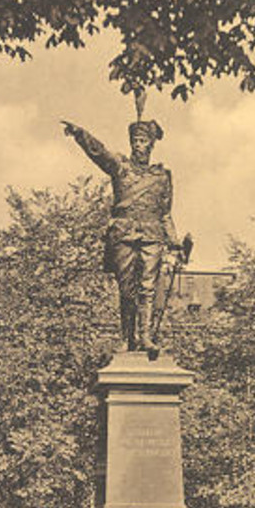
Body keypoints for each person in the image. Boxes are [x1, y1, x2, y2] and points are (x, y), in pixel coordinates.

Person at [62, 117, 182, 352]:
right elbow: (99, 153)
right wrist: (80, 134)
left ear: (151, 144)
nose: (138, 145)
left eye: (143, 141)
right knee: (126, 289)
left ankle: (146, 337)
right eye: (135, 140)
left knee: (148, 287)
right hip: (123, 234)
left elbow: (166, 213)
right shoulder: (120, 167)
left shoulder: (162, 176)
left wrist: (175, 243)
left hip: (152, 234)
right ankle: (128, 338)